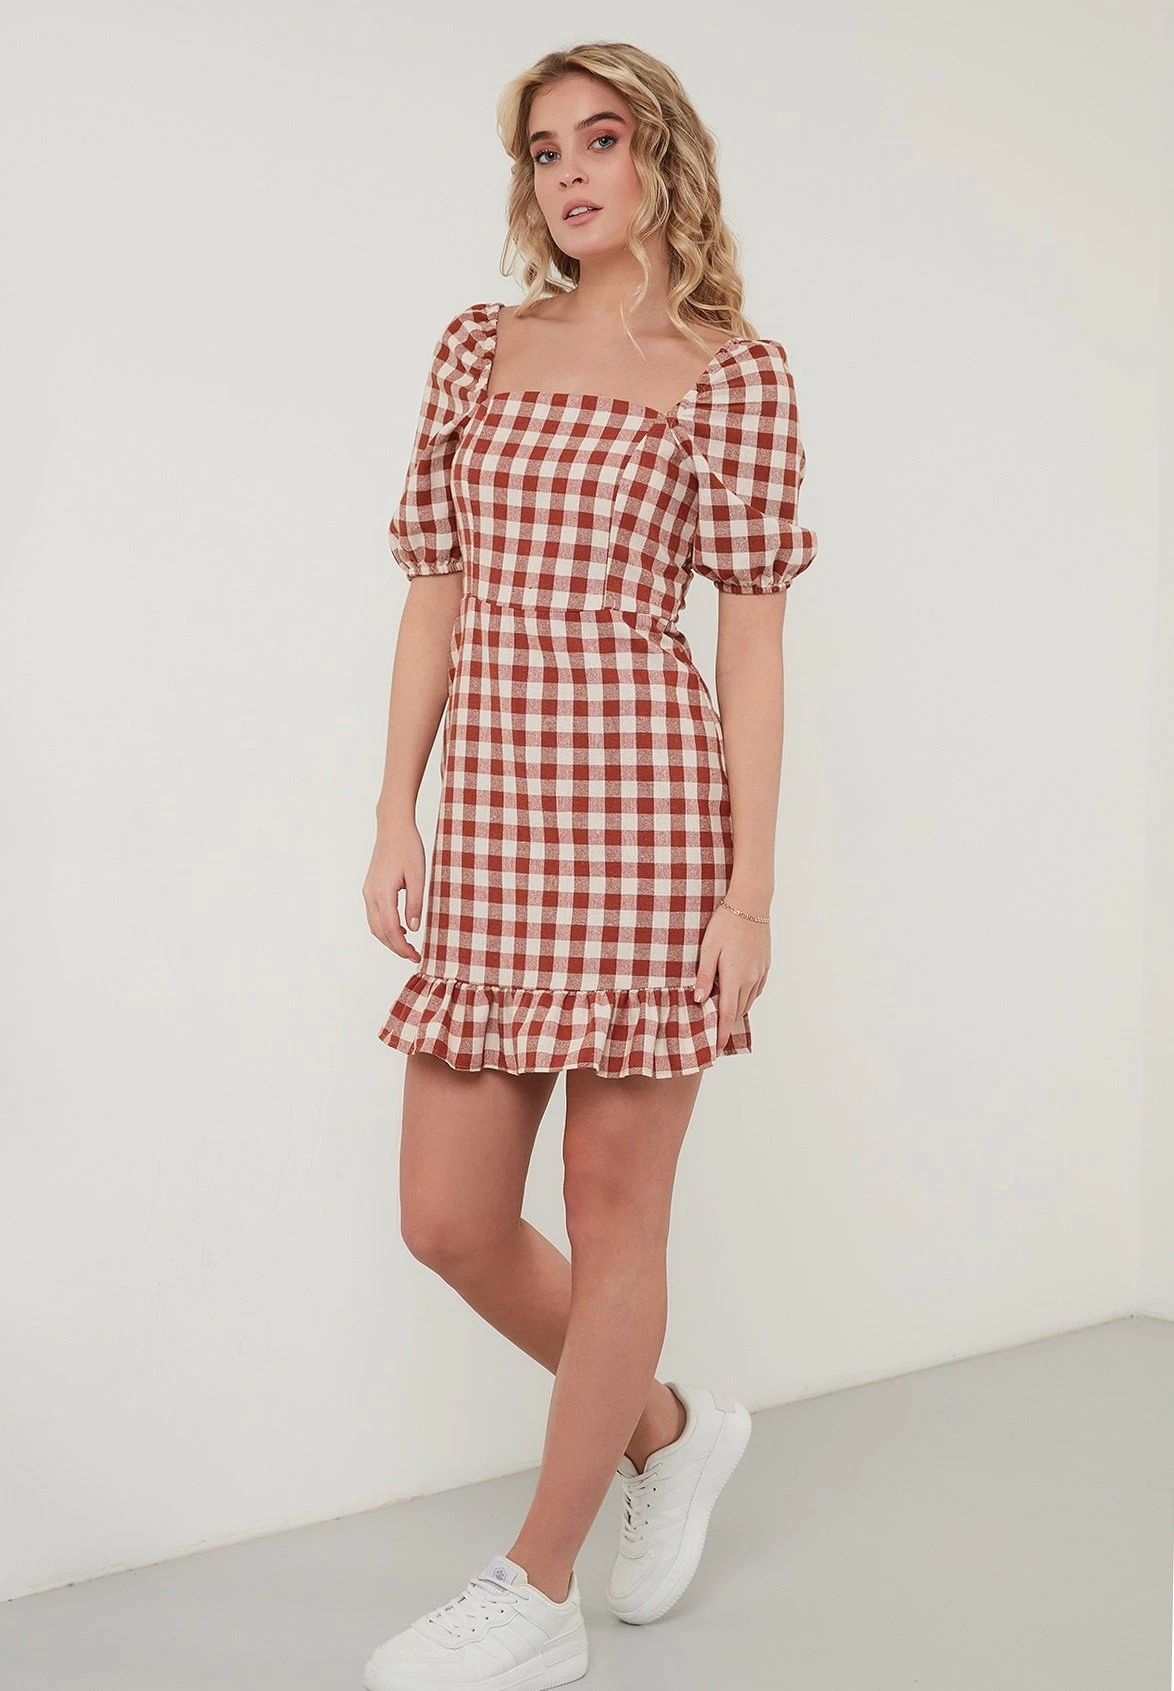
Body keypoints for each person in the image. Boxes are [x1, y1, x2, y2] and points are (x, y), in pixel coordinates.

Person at [360, 39, 818, 1691]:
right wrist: (395, 808)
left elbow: (749, 650)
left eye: (599, 140)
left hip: (646, 829)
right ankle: (670, 1431)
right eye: (544, 151)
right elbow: (435, 592)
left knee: (614, 1221)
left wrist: (748, 892)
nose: (568, 174)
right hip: (495, 828)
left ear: (659, 159)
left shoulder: (732, 375)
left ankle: (535, 1588)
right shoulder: (476, 347)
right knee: (447, 1218)